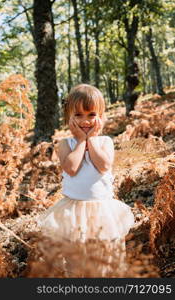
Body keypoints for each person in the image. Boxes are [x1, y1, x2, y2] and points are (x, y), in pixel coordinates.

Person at [37, 84, 135, 277]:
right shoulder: (66, 144)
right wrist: (81, 140)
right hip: (74, 211)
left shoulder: (105, 142)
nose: (85, 121)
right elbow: (71, 168)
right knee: (76, 260)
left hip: (102, 210)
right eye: (78, 115)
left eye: (91, 115)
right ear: (68, 118)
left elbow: (104, 165)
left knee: (106, 256)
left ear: (100, 117)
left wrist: (91, 139)